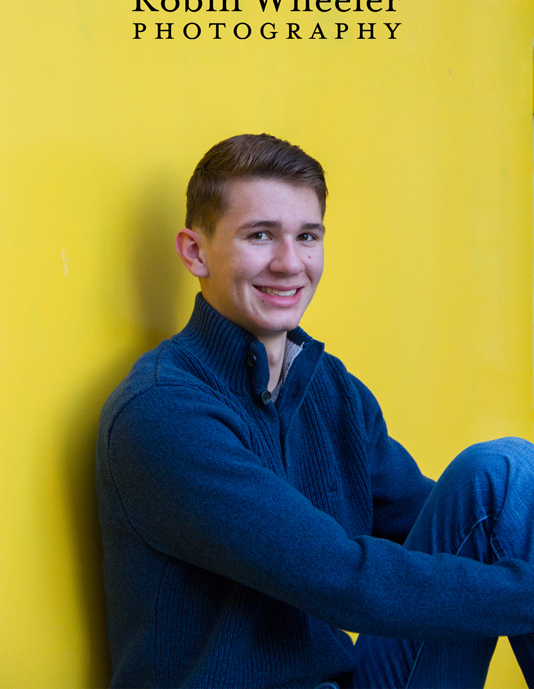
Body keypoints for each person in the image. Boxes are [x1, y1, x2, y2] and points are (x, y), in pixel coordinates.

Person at [96, 133, 534, 689]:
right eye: (260, 236)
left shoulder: (330, 388)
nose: (289, 263)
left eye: (307, 236)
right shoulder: (163, 412)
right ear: (194, 251)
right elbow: (343, 580)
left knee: (504, 476)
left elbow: (449, 528)